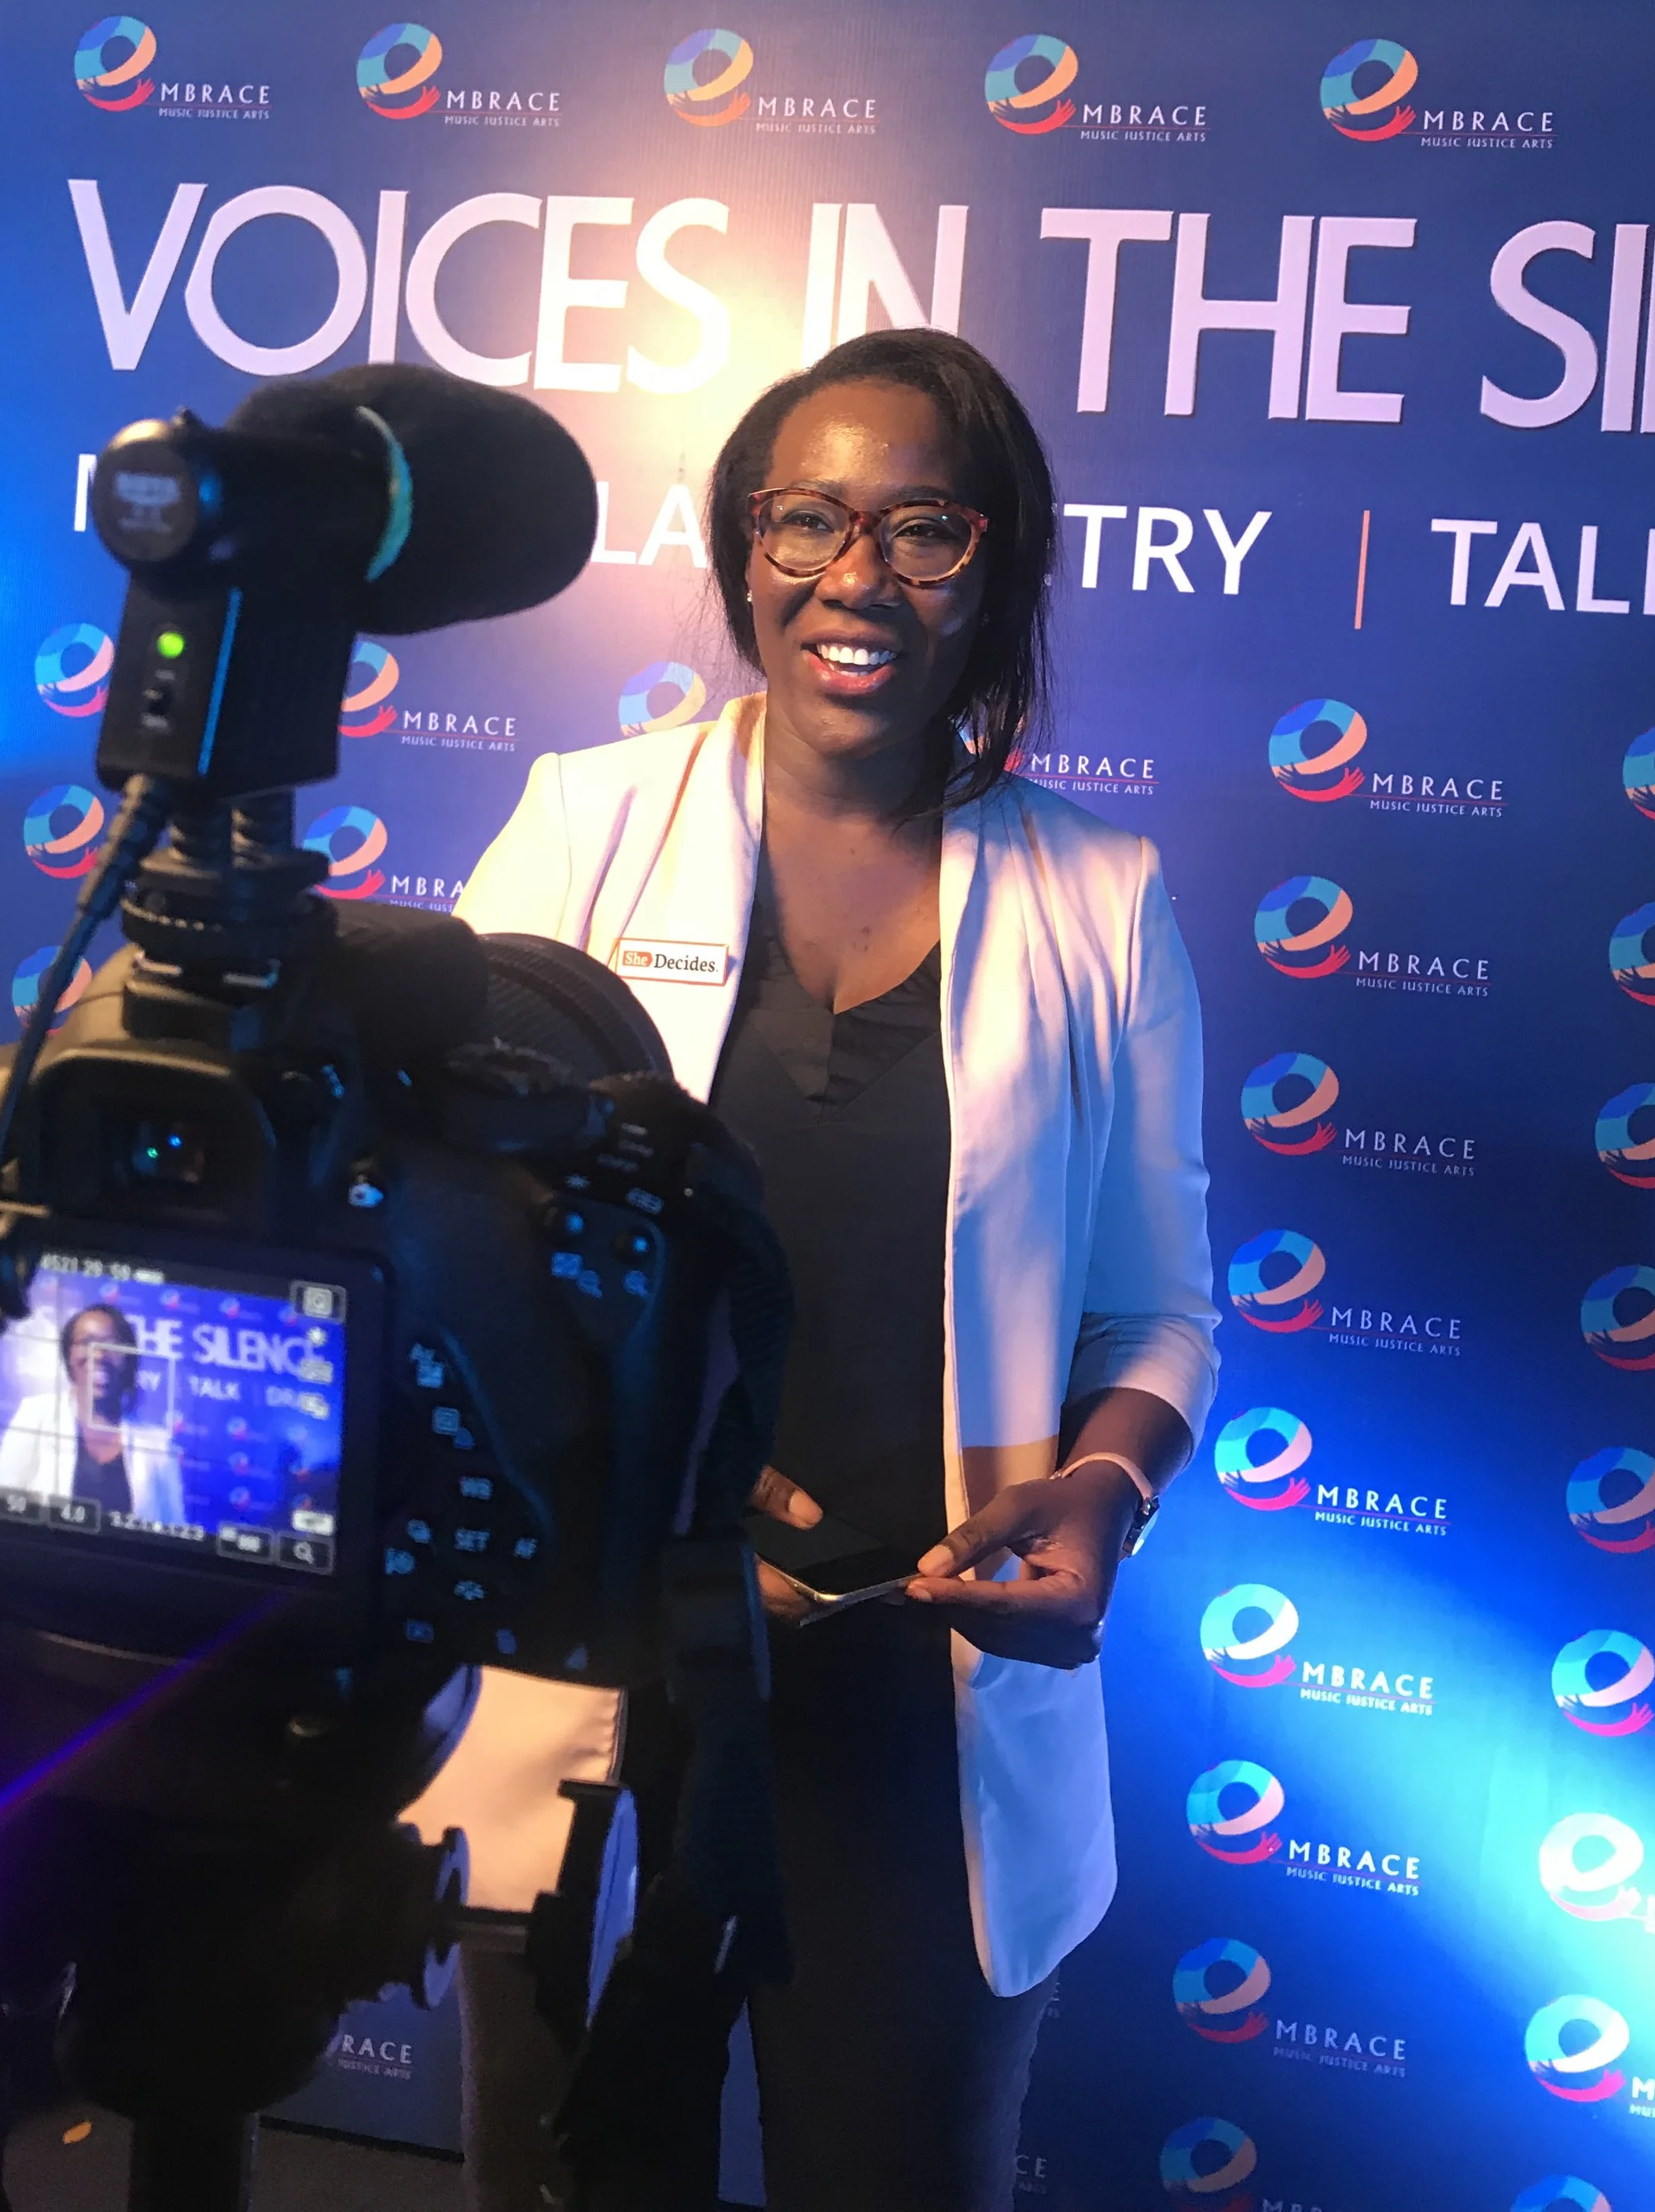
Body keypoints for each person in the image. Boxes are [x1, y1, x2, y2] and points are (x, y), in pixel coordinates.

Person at [447, 328, 1217, 2212]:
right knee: (564, 2184)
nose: (855, 575)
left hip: (925, 1712)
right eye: (808, 517)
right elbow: (453, 1240)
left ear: (1000, 571)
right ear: (743, 549)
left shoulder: (1098, 899)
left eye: (925, 528)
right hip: (599, 1674)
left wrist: (1104, 1494)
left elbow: (1161, 1309)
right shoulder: (583, 823)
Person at [0, 1302, 186, 1528]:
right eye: (86, 1342)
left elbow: (174, 1528)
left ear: (128, 1359)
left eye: (112, 1344)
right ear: (69, 1356)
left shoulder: (158, 1444)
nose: (99, 1354)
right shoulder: (36, 1415)